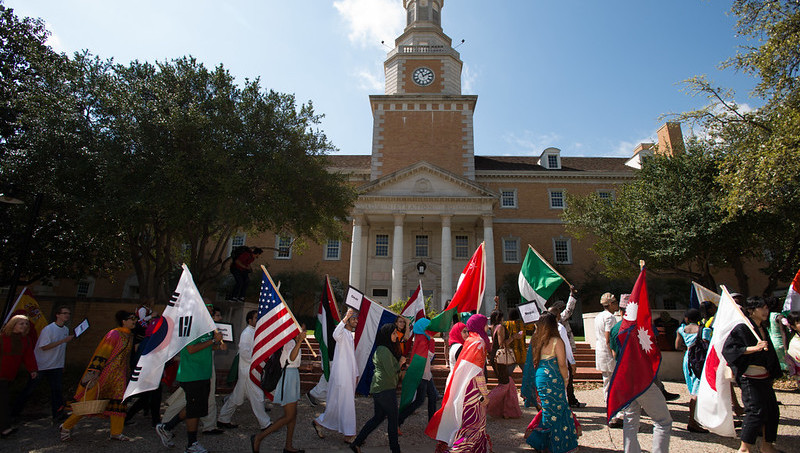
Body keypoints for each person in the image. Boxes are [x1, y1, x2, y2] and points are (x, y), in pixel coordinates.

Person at [59, 310, 136, 442]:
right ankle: (66, 426)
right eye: (131, 319)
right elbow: (103, 352)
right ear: (123, 321)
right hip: (104, 374)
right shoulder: (114, 334)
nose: (134, 321)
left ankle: (116, 432)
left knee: (118, 402)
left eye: (135, 318)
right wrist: (95, 371)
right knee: (88, 402)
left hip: (119, 375)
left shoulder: (129, 336)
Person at [156, 317, 226, 453]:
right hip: (192, 374)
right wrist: (213, 340)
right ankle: (191, 444)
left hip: (203, 374)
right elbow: (191, 348)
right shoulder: (191, 327)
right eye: (208, 308)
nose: (210, 312)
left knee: (195, 408)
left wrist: (218, 346)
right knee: (194, 409)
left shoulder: (207, 328)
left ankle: (167, 427)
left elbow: (205, 346)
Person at [723, 297, 783, 453]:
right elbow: (729, 350)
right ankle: (744, 448)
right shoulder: (742, 328)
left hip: (764, 376)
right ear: (751, 310)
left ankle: (767, 445)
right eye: (761, 308)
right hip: (750, 377)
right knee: (755, 411)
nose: (765, 311)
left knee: (772, 410)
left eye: (766, 308)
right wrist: (753, 348)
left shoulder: (761, 327)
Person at [430, 314, 492, 453]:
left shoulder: (470, 340)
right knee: (474, 424)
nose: (488, 326)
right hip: (473, 389)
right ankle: (458, 449)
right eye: (485, 323)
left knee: (468, 422)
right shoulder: (479, 342)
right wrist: (485, 393)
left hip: (464, 387)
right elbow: (478, 372)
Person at [524, 313, 579, 453]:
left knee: (549, 411)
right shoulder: (556, 341)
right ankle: (556, 444)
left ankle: (544, 443)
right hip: (553, 378)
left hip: (541, 377)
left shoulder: (537, 341)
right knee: (559, 410)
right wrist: (566, 379)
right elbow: (562, 363)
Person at [348, 323, 406, 453]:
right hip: (384, 390)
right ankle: (395, 450)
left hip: (382, 389)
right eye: (394, 333)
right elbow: (391, 371)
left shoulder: (387, 348)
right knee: (393, 419)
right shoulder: (383, 350)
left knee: (378, 418)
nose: (396, 335)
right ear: (387, 335)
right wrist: (400, 363)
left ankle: (356, 443)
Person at [252, 328, 307, 453]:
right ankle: (259, 437)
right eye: (302, 329)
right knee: (289, 416)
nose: (303, 331)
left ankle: (288, 445)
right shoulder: (289, 342)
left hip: (293, 377)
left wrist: (298, 341)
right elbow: (291, 359)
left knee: (293, 415)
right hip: (289, 376)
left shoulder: (293, 341)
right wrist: (299, 342)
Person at [217, 310, 271, 430]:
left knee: (236, 397)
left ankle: (223, 418)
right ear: (249, 320)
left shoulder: (256, 332)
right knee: (258, 396)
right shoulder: (247, 333)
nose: (258, 319)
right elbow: (245, 353)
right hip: (248, 370)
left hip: (252, 370)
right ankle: (265, 423)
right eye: (256, 317)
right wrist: (258, 360)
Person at [312, 308, 359, 442]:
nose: (356, 321)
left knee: (338, 404)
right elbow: (335, 334)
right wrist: (345, 318)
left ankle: (320, 422)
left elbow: (351, 357)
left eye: (356, 318)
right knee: (345, 404)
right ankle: (349, 434)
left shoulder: (350, 335)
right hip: (341, 374)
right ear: (347, 320)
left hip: (348, 374)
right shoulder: (342, 332)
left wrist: (355, 373)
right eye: (353, 318)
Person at [30, 306, 73, 422]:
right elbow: (44, 346)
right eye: (64, 313)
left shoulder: (65, 330)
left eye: (68, 313)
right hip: (42, 365)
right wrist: (63, 340)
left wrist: (61, 363)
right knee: (30, 389)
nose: (67, 315)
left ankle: (58, 414)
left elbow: (62, 349)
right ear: (57, 315)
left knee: (57, 391)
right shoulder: (49, 329)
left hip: (56, 365)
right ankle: (14, 413)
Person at [0, 315, 37, 438]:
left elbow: (28, 356)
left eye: (26, 324)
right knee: (3, 401)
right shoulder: (2, 337)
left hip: (9, 374)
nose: (24, 326)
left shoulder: (25, 340)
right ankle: (5, 428)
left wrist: (32, 370)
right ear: (13, 324)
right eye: (21, 323)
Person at [399, 318, 438, 427]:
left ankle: (432, 423)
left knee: (431, 397)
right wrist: (432, 340)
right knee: (420, 400)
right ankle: (399, 419)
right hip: (422, 374)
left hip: (425, 373)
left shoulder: (420, 338)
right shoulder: (423, 339)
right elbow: (430, 355)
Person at [675, 308, 709, 433]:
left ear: (687, 318)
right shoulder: (704, 330)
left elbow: (677, 346)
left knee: (693, 386)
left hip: (688, 358)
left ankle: (696, 418)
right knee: (696, 391)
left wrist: (689, 348)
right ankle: (692, 421)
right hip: (700, 360)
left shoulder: (681, 330)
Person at [487, 309, 522, 419]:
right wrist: (513, 337)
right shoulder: (501, 328)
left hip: (495, 357)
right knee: (504, 383)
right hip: (499, 358)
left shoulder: (493, 327)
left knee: (506, 382)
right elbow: (502, 344)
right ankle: (486, 404)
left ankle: (506, 409)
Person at [594, 292, 623, 427]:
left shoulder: (599, 316)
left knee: (607, 384)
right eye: (616, 302)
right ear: (610, 304)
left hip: (601, 353)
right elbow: (608, 337)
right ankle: (616, 415)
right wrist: (614, 353)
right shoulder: (610, 318)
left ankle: (611, 413)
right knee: (613, 385)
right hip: (608, 354)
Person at [766, 297, 788, 372]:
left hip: (772, 343)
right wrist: (786, 349)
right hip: (780, 344)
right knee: (787, 364)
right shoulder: (779, 317)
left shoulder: (768, 316)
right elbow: (783, 333)